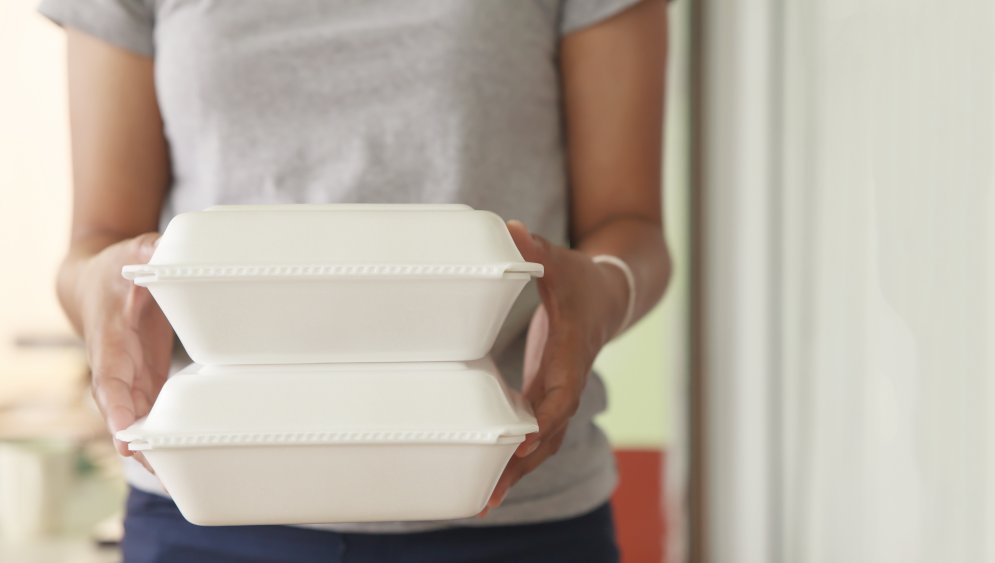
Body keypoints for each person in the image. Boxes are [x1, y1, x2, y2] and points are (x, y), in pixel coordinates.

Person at [42, 1, 671, 561]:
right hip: (208, 507)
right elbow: (98, 242)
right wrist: (103, 292)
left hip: (516, 517)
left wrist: (604, 289)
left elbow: (630, 225)